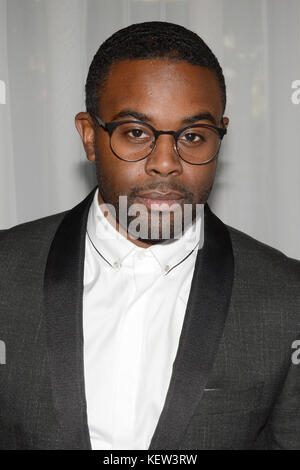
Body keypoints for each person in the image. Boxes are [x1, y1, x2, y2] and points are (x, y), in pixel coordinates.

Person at [0, 21, 299, 451]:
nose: (165, 162)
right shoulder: (6, 272)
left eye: (193, 136)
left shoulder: (288, 298)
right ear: (89, 136)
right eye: (136, 132)